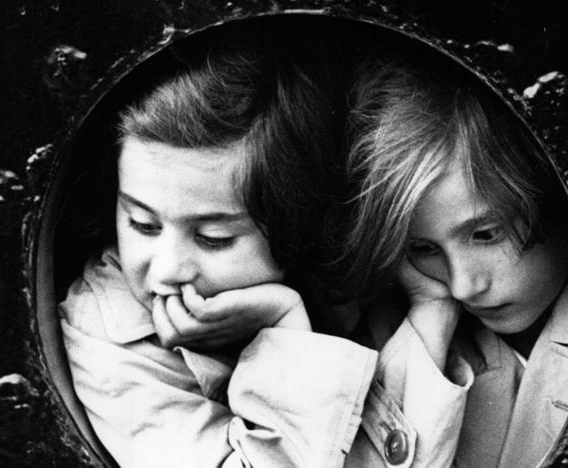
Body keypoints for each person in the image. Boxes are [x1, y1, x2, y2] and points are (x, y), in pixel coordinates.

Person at [58, 32, 390, 468]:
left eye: (213, 237)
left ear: (294, 224)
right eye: (142, 224)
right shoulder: (108, 335)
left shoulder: (352, 281)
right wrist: (285, 324)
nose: (166, 270)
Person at [338, 54, 568, 468]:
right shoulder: (408, 336)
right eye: (424, 249)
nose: (462, 286)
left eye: (486, 234)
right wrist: (432, 314)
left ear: (549, 190)